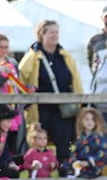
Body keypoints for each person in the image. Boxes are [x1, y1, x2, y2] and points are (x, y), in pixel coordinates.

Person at [18, 20, 84, 166]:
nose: (55, 35)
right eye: (51, 32)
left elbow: (76, 80)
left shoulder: (65, 56)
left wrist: (80, 102)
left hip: (63, 110)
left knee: (64, 143)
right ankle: (39, 176)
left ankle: (64, 173)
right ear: (42, 34)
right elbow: (21, 80)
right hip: (41, 110)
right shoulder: (32, 57)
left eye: (56, 32)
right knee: (38, 143)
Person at [0, 33, 24, 154]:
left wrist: (26, 88)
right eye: (0, 47)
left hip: (13, 107)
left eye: (6, 47)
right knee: (0, 143)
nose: (3, 50)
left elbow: (17, 84)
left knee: (13, 143)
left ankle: (11, 166)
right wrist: (1, 76)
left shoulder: (12, 63)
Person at [69, 107, 107, 179]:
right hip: (80, 164)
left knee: (90, 172)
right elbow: (76, 152)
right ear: (82, 121)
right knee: (65, 166)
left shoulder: (99, 138)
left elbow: (102, 153)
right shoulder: (81, 138)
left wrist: (89, 162)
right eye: (87, 119)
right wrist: (74, 160)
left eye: (93, 120)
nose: (90, 122)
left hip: (93, 164)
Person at [0, 104, 20, 179]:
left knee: (23, 158)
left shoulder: (2, 135)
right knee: (11, 173)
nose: (11, 124)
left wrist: (10, 163)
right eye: (8, 121)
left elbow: (5, 152)